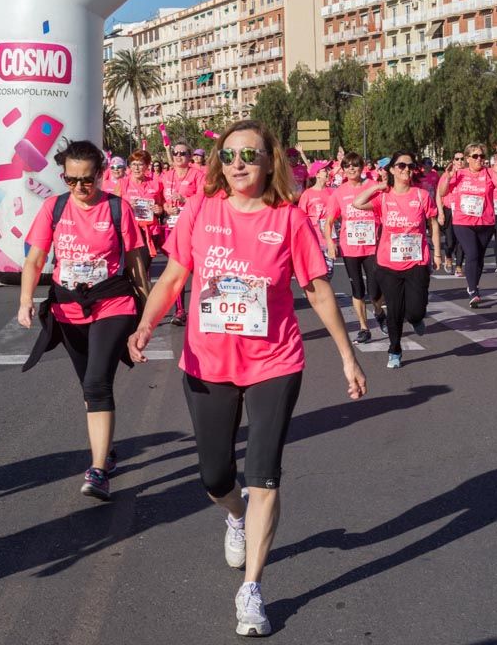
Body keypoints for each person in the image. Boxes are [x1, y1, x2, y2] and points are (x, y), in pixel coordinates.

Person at [127, 120, 367, 637]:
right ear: (219, 163)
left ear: (268, 162)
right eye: (230, 154)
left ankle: (253, 588)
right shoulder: (199, 210)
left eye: (250, 155)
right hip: (207, 361)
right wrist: (147, 323)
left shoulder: (289, 219)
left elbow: (320, 290)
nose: (239, 163)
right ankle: (233, 514)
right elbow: (173, 276)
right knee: (216, 477)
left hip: (274, 362)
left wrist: (348, 356)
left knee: (264, 475)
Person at [19, 140, 150, 500]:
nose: (78, 187)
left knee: (96, 384)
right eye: (70, 179)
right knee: (89, 389)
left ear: (101, 175)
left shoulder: (117, 209)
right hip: (68, 307)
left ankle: (98, 471)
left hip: (112, 302)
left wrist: (147, 316)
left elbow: (137, 262)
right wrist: (25, 299)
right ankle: (105, 450)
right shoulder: (54, 208)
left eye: (86, 180)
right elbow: (34, 259)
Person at [353, 150, 440, 369]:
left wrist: (437, 252)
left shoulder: (421, 195)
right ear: (392, 169)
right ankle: (395, 350)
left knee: (415, 311)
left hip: (417, 262)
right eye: (401, 166)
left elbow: (434, 224)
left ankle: (417, 318)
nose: (406, 170)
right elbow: (357, 203)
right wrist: (377, 187)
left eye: (410, 166)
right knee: (395, 310)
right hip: (388, 264)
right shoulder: (383, 197)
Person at [437, 142, 497, 307]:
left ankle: (474, 284)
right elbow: (442, 192)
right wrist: (447, 177)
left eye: (482, 156)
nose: (479, 159)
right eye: (475, 156)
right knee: (472, 253)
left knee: (480, 258)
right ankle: (473, 290)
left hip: (485, 222)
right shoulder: (459, 174)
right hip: (463, 222)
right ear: (468, 158)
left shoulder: (490, 173)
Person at [324, 152, 384, 341]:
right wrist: (330, 243)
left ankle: (378, 312)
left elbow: (386, 209)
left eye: (355, 165)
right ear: (343, 169)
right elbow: (329, 221)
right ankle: (364, 327)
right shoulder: (339, 192)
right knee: (357, 288)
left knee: (374, 289)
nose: (351, 168)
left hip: (372, 246)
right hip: (350, 247)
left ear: (362, 167)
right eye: (348, 165)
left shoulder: (373, 187)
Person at [163, 141, 205, 325]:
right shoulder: (165, 175)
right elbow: (156, 200)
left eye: (183, 153)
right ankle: (179, 311)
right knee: (176, 270)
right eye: (175, 153)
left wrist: (185, 199)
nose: (178, 156)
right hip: (171, 227)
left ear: (189, 157)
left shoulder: (197, 175)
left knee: (197, 270)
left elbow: (205, 199)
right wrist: (164, 207)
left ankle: (203, 307)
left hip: (193, 227)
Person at [118, 149, 165, 270]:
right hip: (130, 231)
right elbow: (114, 208)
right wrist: (127, 206)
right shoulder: (123, 183)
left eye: (140, 164)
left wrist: (158, 209)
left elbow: (160, 208)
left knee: (143, 268)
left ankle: (144, 287)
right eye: (134, 164)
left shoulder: (155, 184)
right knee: (128, 269)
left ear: (147, 166)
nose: (137, 168)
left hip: (150, 231)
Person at [298, 161, 335, 278]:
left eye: (329, 170)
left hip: (329, 239)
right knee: (316, 274)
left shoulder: (333, 192)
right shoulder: (307, 194)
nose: (329, 172)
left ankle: (324, 295)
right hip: (313, 239)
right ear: (317, 174)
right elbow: (300, 218)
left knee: (328, 273)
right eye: (325, 170)